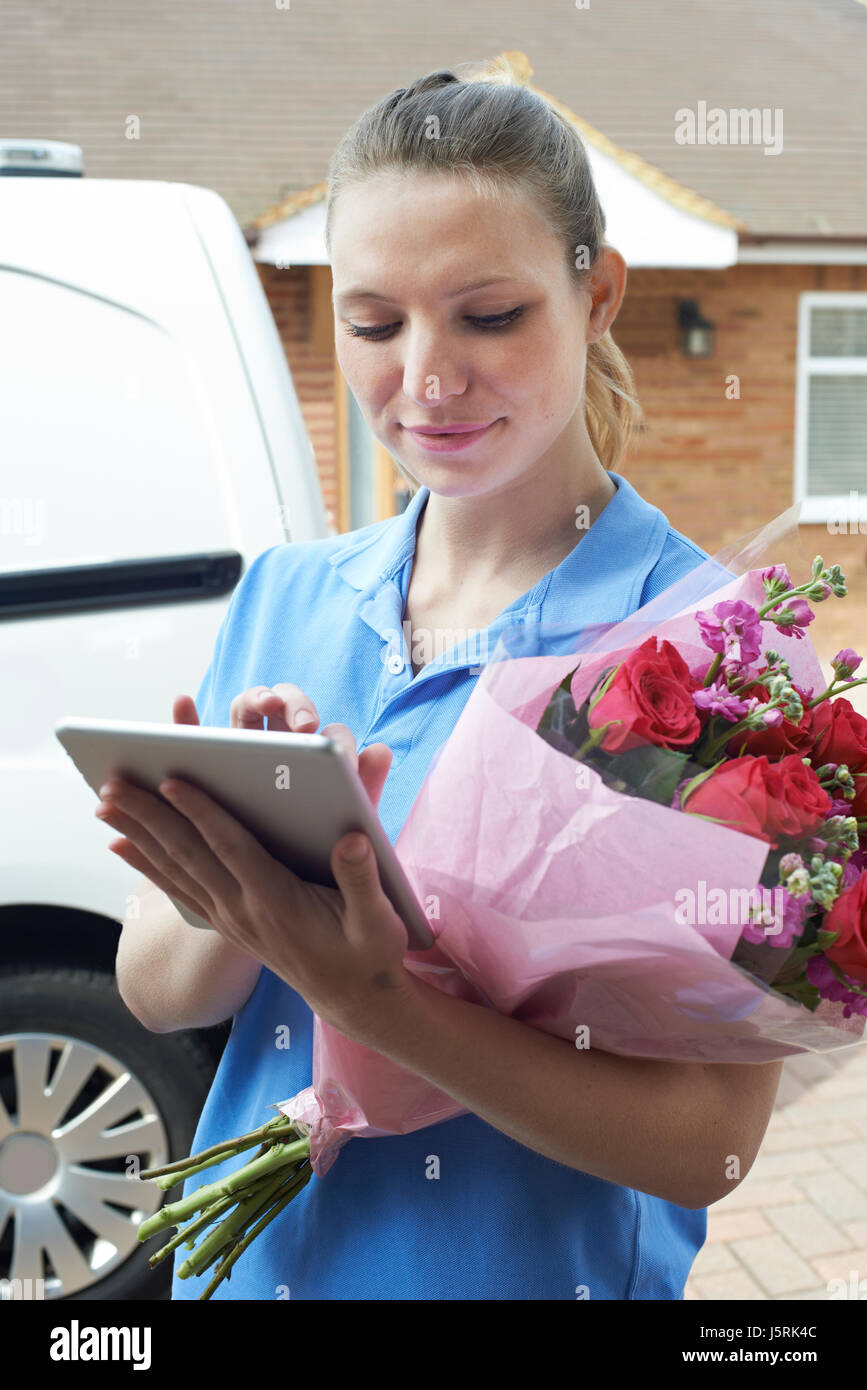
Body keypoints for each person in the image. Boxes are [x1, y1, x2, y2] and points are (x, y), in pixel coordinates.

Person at [110, 66, 783, 1300]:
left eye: (488, 316)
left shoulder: (702, 658)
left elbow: (713, 1142)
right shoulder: (284, 597)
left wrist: (381, 1002)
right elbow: (151, 991)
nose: (425, 375)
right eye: (374, 323)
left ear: (599, 294)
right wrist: (238, 869)